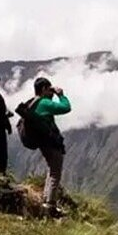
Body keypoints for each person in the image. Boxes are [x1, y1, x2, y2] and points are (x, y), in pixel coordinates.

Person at [30, 77, 71, 216]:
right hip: (50, 143)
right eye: (49, 89)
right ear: (43, 89)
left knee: (51, 171)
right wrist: (61, 95)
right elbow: (66, 108)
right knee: (55, 173)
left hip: (43, 143)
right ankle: (50, 206)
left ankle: (46, 200)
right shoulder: (44, 103)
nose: (52, 92)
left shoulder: (35, 103)